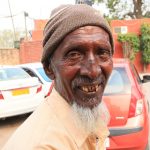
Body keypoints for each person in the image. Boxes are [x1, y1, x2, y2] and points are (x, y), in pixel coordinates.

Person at [2, 4, 114, 150]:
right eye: (74, 54)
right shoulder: (44, 145)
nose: (93, 72)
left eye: (103, 53)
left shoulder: (83, 119)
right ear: (49, 68)